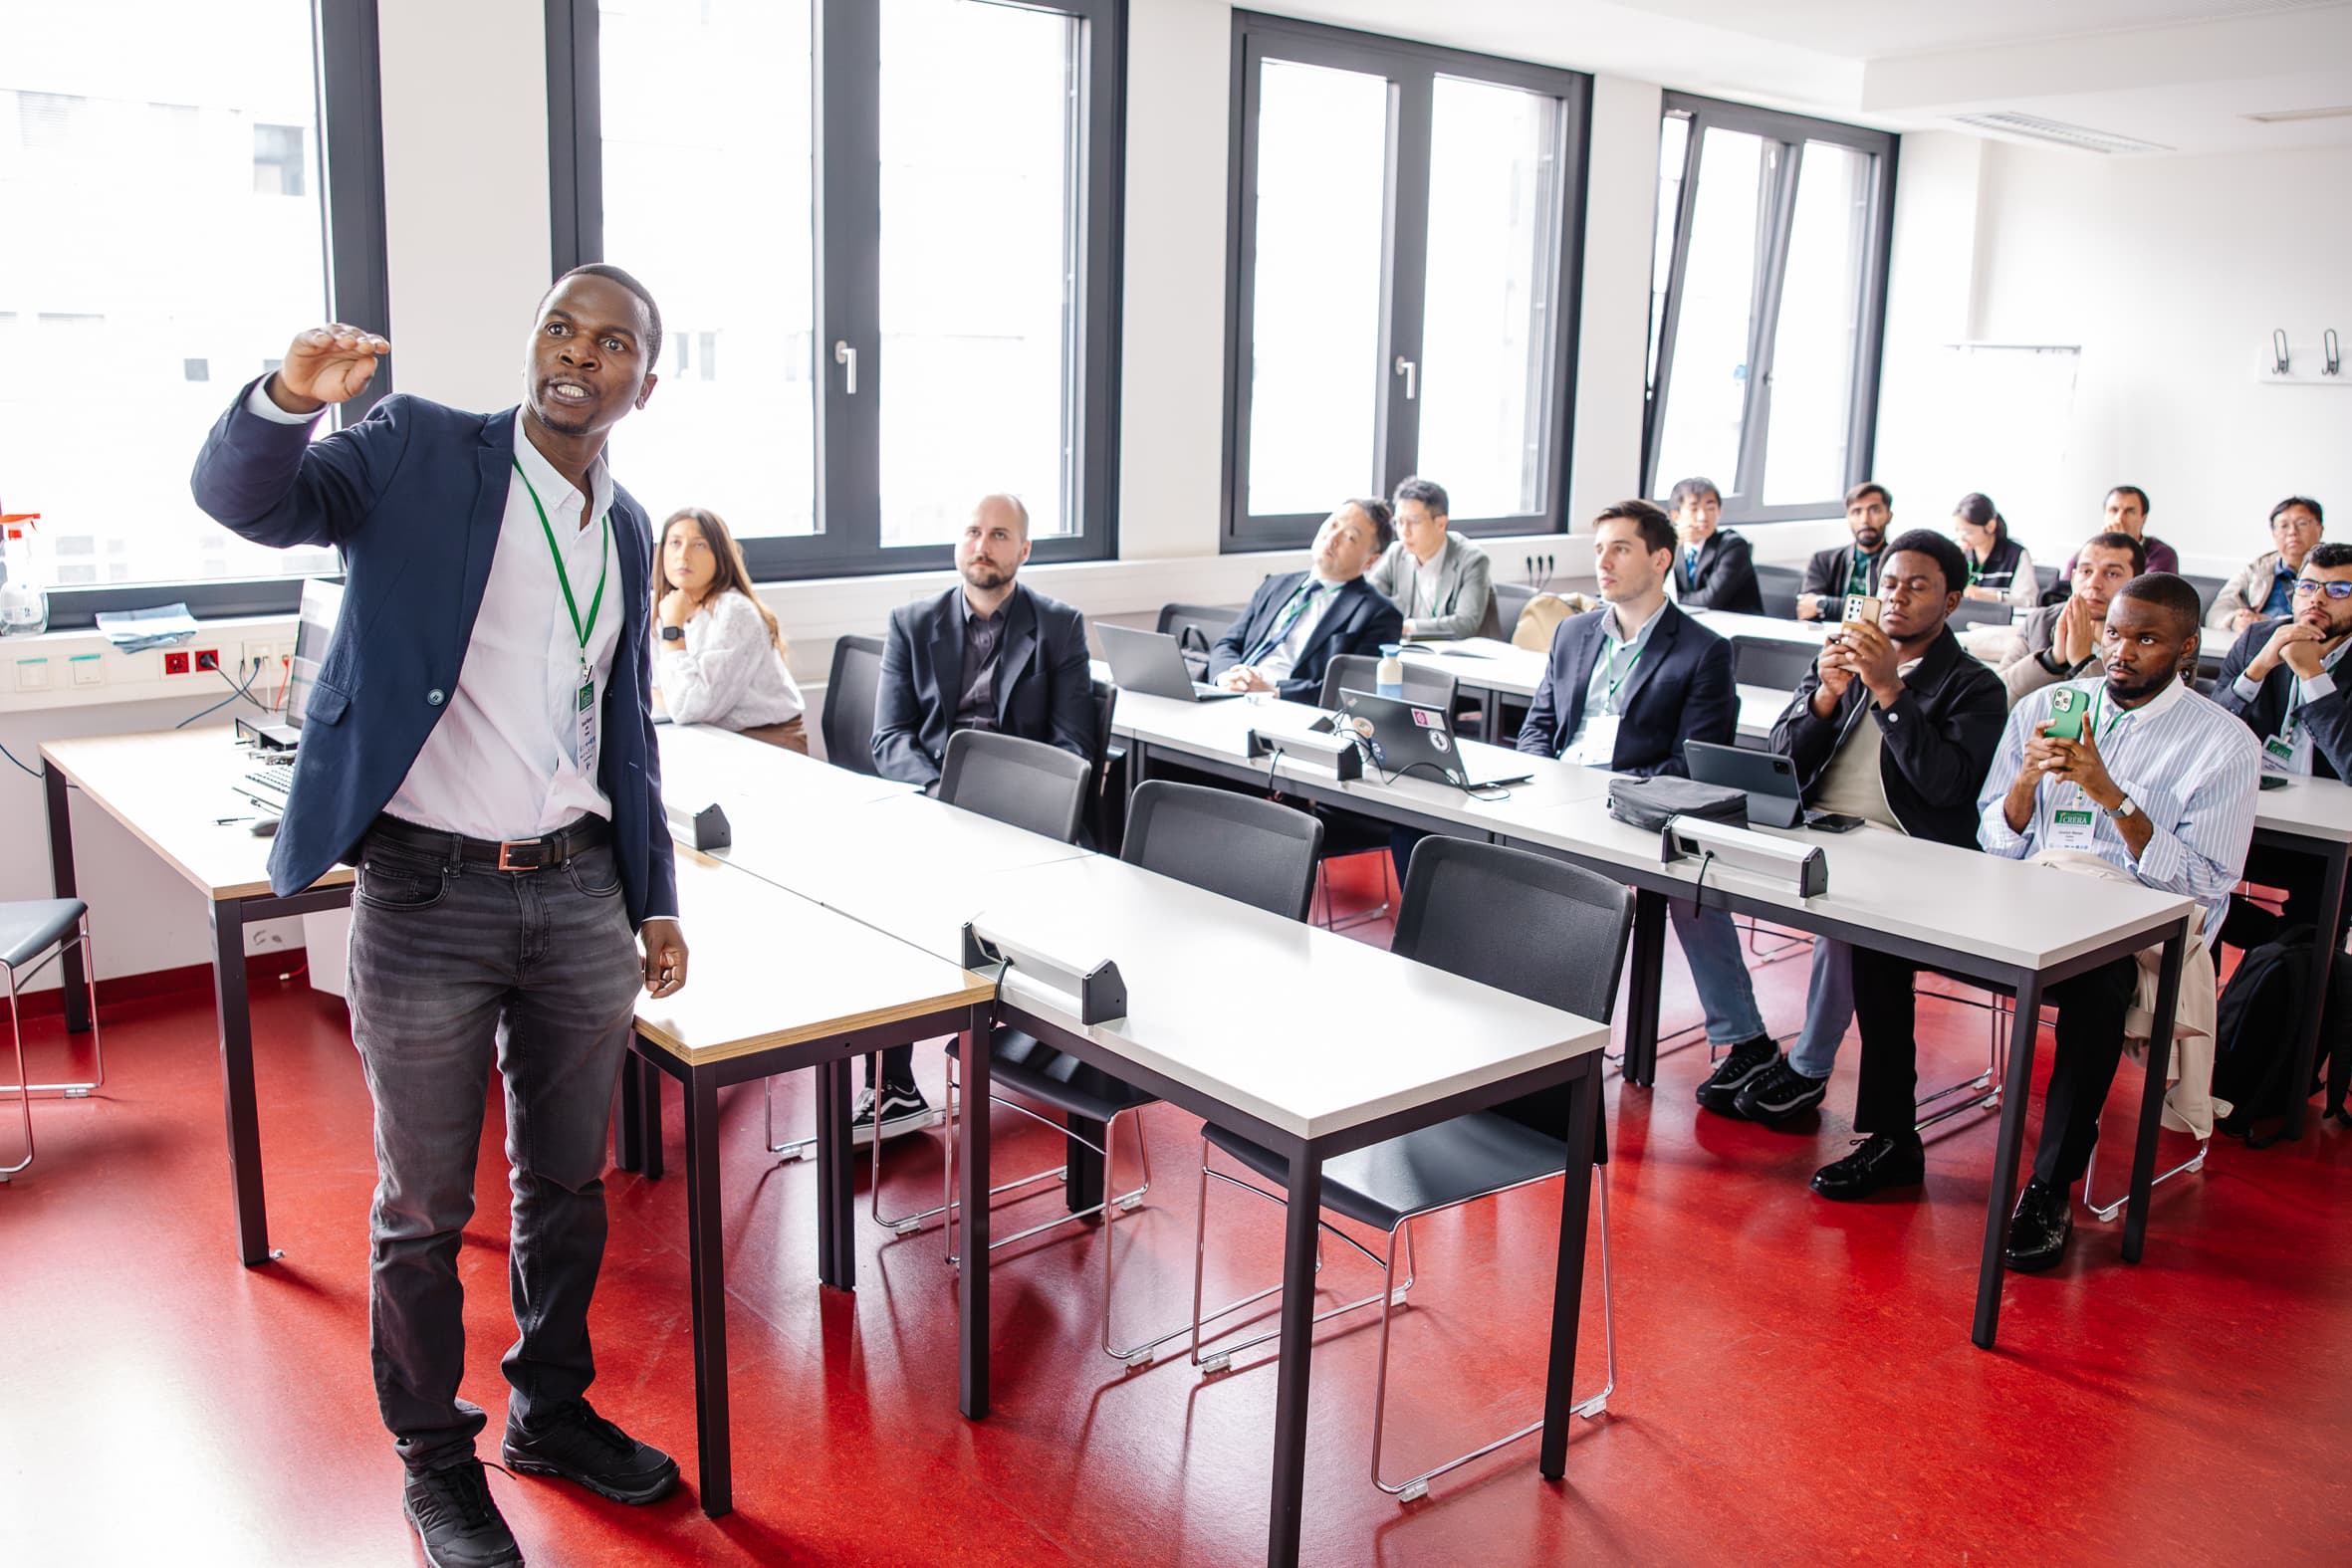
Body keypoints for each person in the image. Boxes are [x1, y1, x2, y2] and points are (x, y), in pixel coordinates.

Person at [190, 270, 690, 1568]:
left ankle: (549, 1407)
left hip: (580, 890)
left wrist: (655, 895)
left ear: (647, 378)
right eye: (559, 327)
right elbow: (247, 499)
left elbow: (620, 720)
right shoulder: (416, 449)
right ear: (531, 342)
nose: (578, 354)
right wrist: (287, 397)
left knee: (566, 1186)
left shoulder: (627, 528)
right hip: (425, 892)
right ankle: (434, 1459)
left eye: (613, 341)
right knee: (421, 1205)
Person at [1826, 576, 2256, 1277]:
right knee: (1879, 936)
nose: (2121, 652)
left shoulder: (2223, 745)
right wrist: (2026, 782)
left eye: (2145, 639)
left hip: (2127, 920)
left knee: (2099, 984)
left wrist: (2109, 796)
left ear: (2186, 648)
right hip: (2027, 897)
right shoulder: (2049, 707)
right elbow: (1996, 837)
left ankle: (2049, 1188)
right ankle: (1893, 1139)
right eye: (2114, 633)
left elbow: (2206, 885)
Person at [1696, 531, 2008, 1125]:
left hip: (1902, 847)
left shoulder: (1975, 686)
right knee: (1692, 869)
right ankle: (1744, 1036)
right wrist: (1824, 696)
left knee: (1844, 904)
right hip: (1815, 824)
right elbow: (1780, 754)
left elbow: (1946, 787)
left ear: (1950, 603)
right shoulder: (1842, 658)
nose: (1897, 597)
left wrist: (1890, 689)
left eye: (1918, 586)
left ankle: (1809, 1069)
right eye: (1888, 584)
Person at [1516, 501, 1774, 1065]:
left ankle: (1744, 1040)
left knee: (1692, 887)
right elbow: (1538, 726)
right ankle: (1520, 1025)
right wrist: (1545, 781)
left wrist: (1610, 796)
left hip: (1635, 808)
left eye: (1621, 548)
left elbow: (1693, 766)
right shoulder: (1572, 633)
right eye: (1599, 549)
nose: (1603, 562)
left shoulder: (1703, 650)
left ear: (1661, 559)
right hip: (1556, 797)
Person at [870, 492, 1093, 1135]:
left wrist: (1001, 806)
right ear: (956, 544)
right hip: (936, 807)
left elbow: (1071, 746)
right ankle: (892, 1084)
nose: (982, 545)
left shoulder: (1059, 626)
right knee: (884, 903)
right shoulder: (912, 622)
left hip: (1023, 822)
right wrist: (947, 801)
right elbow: (890, 739)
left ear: (1023, 550)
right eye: (972, 531)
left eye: (1000, 535)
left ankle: (1036, 1041)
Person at [2214, 540, 2352, 933]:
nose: (2317, 599)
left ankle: (2291, 964)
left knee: (2315, 923)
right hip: (2244, 822)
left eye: (2338, 590)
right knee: (2185, 891)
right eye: (2307, 586)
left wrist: (2313, 676)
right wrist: (2257, 669)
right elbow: (2205, 738)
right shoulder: (2258, 641)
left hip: (2327, 841)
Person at [1208, 500, 1406, 700]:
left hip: (1285, 708)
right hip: (1231, 695)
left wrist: (1274, 692)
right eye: (1334, 524)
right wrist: (1225, 676)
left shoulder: (1378, 614)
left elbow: (1350, 689)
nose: (1333, 538)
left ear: (1371, 560)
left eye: (1350, 537)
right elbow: (1228, 643)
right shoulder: (1276, 584)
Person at [652, 506, 809, 750]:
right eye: (674, 543)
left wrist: (673, 632)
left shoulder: (735, 612)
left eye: (699, 545)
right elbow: (652, 690)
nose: (683, 555)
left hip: (766, 744)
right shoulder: (667, 606)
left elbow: (688, 708)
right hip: (713, 739)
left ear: (720, 554)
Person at [1994, 532, 2145, 704]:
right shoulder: (2041, 622)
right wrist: (2051, 661)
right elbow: (1995, 698)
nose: (2093, 583)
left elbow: (2130, 715)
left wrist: (2083, 664)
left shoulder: (2149, 638)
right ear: (2073, 579)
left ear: (2137, 584)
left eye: (2112, 574)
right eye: (2086, 571)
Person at [1364, 476, 1498, 639]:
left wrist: (1405, 627)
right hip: (1411, 653)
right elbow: (1367, 600)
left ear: (1441, 524)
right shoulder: (1397, 553)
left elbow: (1465, 625)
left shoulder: (1473, 560)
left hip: (1463, 657)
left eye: (1413, 522)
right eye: (1399, 522)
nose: (1404, 532)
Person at [2210, 496, 2325, 632]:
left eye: (2302, 523)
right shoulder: (2257, 570)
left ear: (2320, 529)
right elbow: (2216, 612)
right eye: (2284, 526)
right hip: (2261, 645)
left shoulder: (2339, 569)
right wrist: (2235, 621)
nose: (2292, 532)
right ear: (2274, 534)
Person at [1666, 475, 1764, 614]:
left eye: (1710, 508)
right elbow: (1654, 591)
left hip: (1734, 627)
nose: (1703, 517)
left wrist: (1671, 600)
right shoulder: (1674, 548)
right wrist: (1671, 544)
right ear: (1676, 516)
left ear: (1719, 512)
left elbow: (1709, 601)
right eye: (1694, 510)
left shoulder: (1733, 546)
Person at [1796, 482, 1893, 621]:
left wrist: (1824, 604)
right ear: (1848, 517)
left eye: (1874, 510)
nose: (1865, 520)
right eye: (1856, 512)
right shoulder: (1823, 560)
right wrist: (1868, 609)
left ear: (1889, 516)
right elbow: (1806, 609)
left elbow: (1886, 614)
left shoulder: (1896, 565)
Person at [2061, 486, 2179, 578]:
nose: (2119, 518)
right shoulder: (2088, 551)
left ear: (2143, 518)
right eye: (2114, 510)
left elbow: (2145, 596)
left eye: (2129, 511)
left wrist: (2123, 546)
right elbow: (2064, 589)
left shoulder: (2162, 554)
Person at [1953, 492, 2037, 606]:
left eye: (1968, 532)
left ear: (1990, 526)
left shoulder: (2016, 555)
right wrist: (1953, 563)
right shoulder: (1958, 552)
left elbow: (2028, 601)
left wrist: (1990, 596)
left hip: (1998, 621)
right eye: (1957, 530)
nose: (1961, 537)